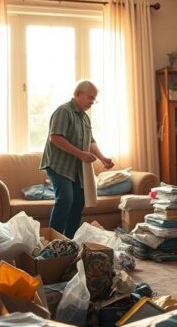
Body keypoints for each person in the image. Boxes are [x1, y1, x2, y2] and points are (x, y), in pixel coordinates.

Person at [39, 80, 114, 238]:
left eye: (94, 99)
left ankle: (69, 241)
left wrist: (102, 158)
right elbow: (55, 138)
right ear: (78, 94)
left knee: (78, 202)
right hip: (57, 165)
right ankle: (52, 241)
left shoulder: (85, 118)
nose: (92, 102)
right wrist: (80, 154)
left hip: (75, 169)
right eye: (90, 98)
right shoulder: (63, 111)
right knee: (65, 199)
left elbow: (90, 141)